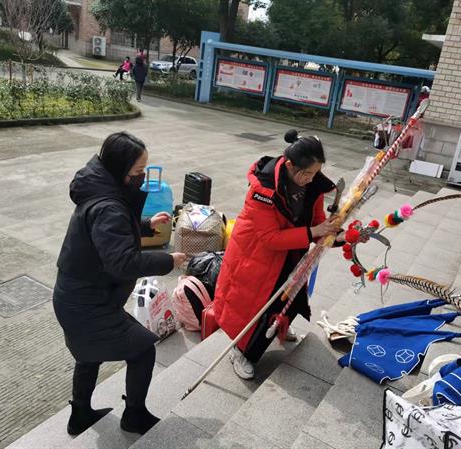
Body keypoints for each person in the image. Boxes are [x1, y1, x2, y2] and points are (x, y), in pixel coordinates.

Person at [53, 132, 186, 436]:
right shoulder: (108, 206)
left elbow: (109, 233)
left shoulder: (101, 189)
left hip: (76, 296)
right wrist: (168, 261)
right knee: (142, 349)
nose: (142, 176)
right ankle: (134, 416)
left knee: (89, 352)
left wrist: (145, 225)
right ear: (119, 168)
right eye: (138, 171)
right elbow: (122, 262)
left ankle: (80, 414)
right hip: (86, 303)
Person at [213, 130, 342, 380]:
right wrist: (312, 232)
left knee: (290, 297)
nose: (311, 179)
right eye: (307, 173)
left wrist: (341, 236)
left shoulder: (312, 186)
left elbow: (317, 223)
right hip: (256, 257)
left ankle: (279, 326)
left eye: (315, 173)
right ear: (290, 165)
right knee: (254, 308)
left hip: (291, 253)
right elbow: (269, 238)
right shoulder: (262, 189)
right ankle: (241, 351)